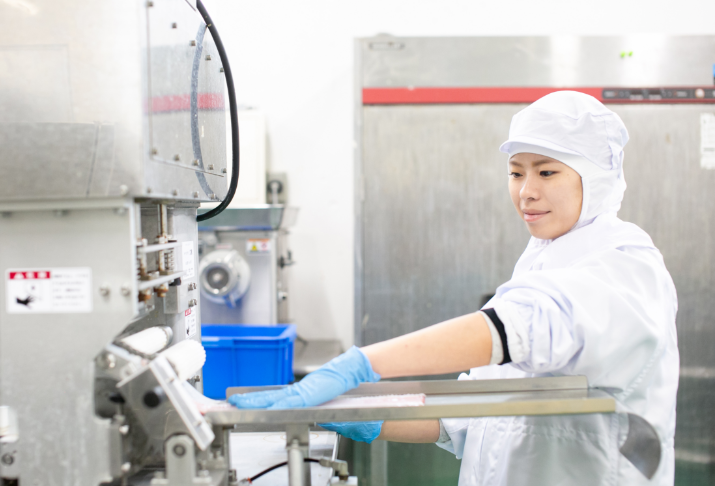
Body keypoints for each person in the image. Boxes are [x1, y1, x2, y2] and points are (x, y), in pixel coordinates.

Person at [229, 91, 679, 485]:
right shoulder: (540, 262)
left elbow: (530, 325)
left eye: (546, 173)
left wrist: (363, 364)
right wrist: (360, 417)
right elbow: (468, 419)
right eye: (516, 173)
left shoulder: (624, 263)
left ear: (595, 178)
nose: (526, 191)